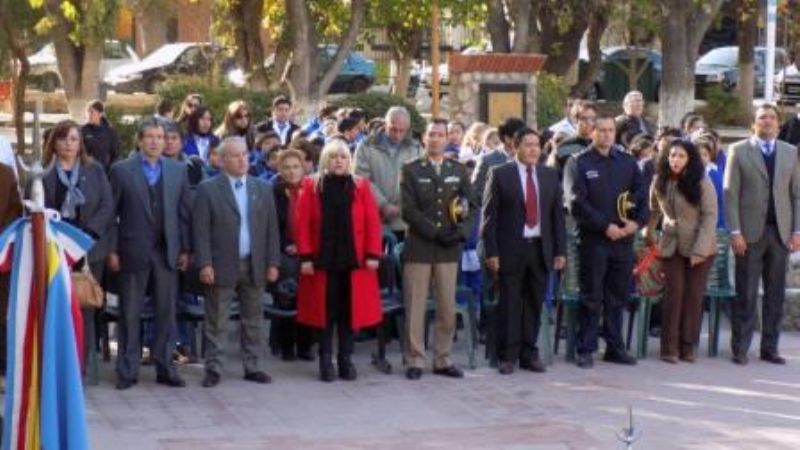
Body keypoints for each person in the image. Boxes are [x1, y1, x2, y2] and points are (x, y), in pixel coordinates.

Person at [107, 118, 192, 390]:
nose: (156, 141)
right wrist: (112, 250)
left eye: (160, 136)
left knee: (167, 313)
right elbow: (111, 215)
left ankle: (166, 367)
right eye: (150, 136)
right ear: (140, 140)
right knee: (129, 313)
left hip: (167, 252)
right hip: (132, 250)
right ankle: (127, 370)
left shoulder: (178, 170)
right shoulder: (121, 170)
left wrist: (186, 248)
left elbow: (184, 213)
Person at [192, 137, 281, 387]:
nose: (243, 160)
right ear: (222, 160)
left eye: (245, 154)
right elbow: (201, 231)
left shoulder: (262, 188)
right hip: (221, 264)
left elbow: (272, 229)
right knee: (216, 320)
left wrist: (273, 262)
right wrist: (205, 263)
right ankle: (214, 368)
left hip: (255, 263)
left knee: (253, 319)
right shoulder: (208, 189)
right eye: (235, 155)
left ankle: (253, 366)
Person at [295, 141, 383, 382]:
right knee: (325, 313)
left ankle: (346, 359)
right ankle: (325, 360)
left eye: (343, 157)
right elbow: (301, 224)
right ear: (325, 159)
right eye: (333, 157)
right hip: (322, 260)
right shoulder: (311, 185)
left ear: (349, 160)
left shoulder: (361, 185)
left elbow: (372, 223)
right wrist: (305, 256)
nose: (338, 161)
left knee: (348, 313)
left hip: (353, 261)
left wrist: (373, 254)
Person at [482, 128, 566, 374]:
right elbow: (490, 218)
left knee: (534, 303)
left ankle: (529, 353)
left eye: (536, 145)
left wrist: (560, 250)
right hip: (510, 249)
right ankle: (507, 355)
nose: (532, 150)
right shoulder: (500, 174)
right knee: (509, 303)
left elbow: (557, 217)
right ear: (515, 147)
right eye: (527, 145)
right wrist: (491, 252)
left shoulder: (549, 175)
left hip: (540, 248)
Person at [400, 119, 477, 380]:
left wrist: (461, 232)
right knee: (416, 306)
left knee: (446, 307)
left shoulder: (458, 169)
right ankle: (415, 360)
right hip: (420, 246)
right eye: (431, 134)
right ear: (424, 139)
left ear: (447, 139)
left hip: (448, 248)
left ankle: (443, 359)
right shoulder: (411, 170)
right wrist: (434, 232)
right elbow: (408, 210)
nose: (435, 139)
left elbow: (471, 205)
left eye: (440, 135)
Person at [568, 115, 647, 369]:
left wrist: (636, 224)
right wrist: (605, 226)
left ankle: (615, 347)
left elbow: (642, 197)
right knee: (592, 296)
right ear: (592, 132)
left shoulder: (627, 162)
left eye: (610, 130)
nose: (605, 135)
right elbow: (575, 202)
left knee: (618, 296)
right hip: (594, 241)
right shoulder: (578, 163)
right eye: (600, 130)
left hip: (623, 241)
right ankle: (586, 348)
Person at [724, 104, 800, 365]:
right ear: (753, 125)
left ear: (779, 124)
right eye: (761, 118)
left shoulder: (790, 153)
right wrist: (735, 231)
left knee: (775, 294)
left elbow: (796, 194)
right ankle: (740, 349)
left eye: (771, 118)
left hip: (779, 234)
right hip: (749, 234)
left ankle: (770, 348)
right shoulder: (738, 151)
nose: (767, 122)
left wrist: (797, 230)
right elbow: (730, 195)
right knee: (745, 293)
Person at [40, 120, 113, 380]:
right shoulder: (43, 173)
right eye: (63, 139)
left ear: (80, 143)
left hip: (88, 249)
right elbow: (35, 209)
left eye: (73, 139)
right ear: (54, 143)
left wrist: (88, 234)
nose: (68, 144)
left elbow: (107, 205)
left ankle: (80, 367)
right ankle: (55, 366)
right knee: (56, 306)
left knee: (84, 307)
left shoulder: (94, 170)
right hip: (55, 248)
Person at [644, 140, 717, 363]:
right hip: (671, 244)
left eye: (681, 156)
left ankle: (688, 346)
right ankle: (669, 347)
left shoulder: (702, 181)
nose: (676, 160)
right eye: (672, 155)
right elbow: (653, 210)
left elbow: (709, 216)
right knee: (674, 294)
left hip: (699, 246)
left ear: (690, 159)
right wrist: (648, 233)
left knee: (693, 297)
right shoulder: (660, 180)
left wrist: (700, 250)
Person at [270, 149, 315, 360]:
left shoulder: (313, 190)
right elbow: (270, 228)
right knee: (286, 289)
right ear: (279, 170)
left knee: (309, 294)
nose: (291, 172)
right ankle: (286, 346)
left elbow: (317, 225)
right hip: (282, 252)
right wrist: (287, 245)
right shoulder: (273, 192)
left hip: (308, 251)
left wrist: (303, 246)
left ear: (304, 168)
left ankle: (305, 346)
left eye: (295, 167)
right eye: (286, 167)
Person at [354, 106, 421, 240]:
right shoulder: (366, 146)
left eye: (402, 131)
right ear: (385, 125)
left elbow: (419, 182)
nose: (397, 135)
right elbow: (361, 178)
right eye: (393, 129)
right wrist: (383, 204)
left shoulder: (415, 149)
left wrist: (401, 206)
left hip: (405, 222)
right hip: (373, 219)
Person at [0, 163, 23, 385]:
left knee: (2, 312)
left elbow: (15, 212)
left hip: (1, 256)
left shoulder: (6, 173)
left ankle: (2, 368)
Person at [471, 117, 526, 206]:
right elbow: (476, 191)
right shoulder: (487, 160)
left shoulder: (527, 158)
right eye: (520, 137)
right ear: (507, 138)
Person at [548, 102, 597, 180]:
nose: (589, 122)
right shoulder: (563, 147)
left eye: (592, 118)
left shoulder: (599, 146)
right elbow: (554, 176)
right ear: (575, 120)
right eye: (584, 118)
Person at [81, 100, 120, 171]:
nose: (89, 115)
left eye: (92, 112)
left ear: (100, 114)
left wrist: (111, 170)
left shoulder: (110, 132)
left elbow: (115, 154)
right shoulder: (83, 130)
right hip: (88, 171)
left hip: (106, 172)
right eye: (87, 112)